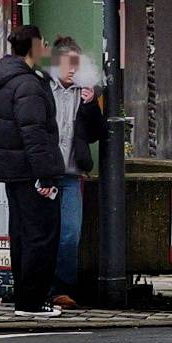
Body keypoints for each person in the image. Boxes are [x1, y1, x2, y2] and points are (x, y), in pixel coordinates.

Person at [0, 24, 65, 319]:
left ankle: (25, 298)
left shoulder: (6, 80)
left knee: (21, 234)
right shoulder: (29, 85)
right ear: (33, 47)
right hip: (32, 172)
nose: (46, 47)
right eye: (42, 42)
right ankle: (33, 301)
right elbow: (34, 133)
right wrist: (45, 174)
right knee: (40, 236)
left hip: (14, 171)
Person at [49, 36, 106, 310]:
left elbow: (96, 133)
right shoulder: (44, 90)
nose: (72, 69)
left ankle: (62, 289)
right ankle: (38, 286)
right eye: (67, 63)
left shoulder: (85, 92)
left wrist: (91, 105)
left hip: (72, 173)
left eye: (76, 64)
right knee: (44, 233)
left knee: (70, 234)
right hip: (45, 173)